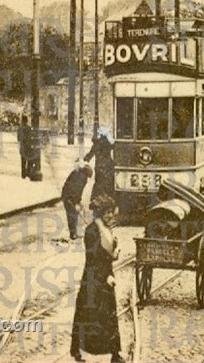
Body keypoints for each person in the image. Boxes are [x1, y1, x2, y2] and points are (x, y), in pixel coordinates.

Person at [71, 195, 124, 363]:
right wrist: (106, 275)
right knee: (87, 314)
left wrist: (113, 253)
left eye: (111, 212)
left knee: (109, 315)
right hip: (94, 279)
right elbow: (93, 258)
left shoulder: (105, 229)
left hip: (105, 277)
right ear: (101, 213)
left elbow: (107, 253)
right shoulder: (92, 231)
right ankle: (77, 351)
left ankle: (114, 353)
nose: (111, 216)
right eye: (107, 213)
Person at [61, 164, 93, 240]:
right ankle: (73, 234)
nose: (87, 178)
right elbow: (76, 190)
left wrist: (78, 201)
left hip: (67, 195)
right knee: (72, 214)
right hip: (69, 197)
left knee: (72, 214)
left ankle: (73, 233)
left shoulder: (77, 173)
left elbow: (78, 190)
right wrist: (75, 201)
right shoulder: (82, 177)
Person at [84, 127, 115, 202]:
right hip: (108, 166)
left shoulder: (97, 143)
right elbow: (115, 146)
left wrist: (84, 160)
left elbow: (90, 154)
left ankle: (96, 199)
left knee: (98, 182)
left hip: (99, 166)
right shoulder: (108, 143)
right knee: (109, 182)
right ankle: (109, 198)